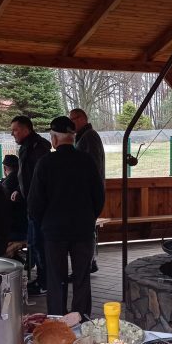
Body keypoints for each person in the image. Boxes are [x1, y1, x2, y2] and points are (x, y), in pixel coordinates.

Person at [28, 116, 104, 317]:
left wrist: (44, 223)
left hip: (54, 232)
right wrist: (89, 218)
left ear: (53, 139)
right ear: (73, 137)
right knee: (81, 278)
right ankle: (81, 319)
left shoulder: (45, 163)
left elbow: (35, 203)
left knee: (56, 279)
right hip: (83, 230)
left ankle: (58, 319)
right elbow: (99, 196)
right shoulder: (87, 161)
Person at [12, 115, 51, 295]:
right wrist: (20, 191)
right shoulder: (28, 147)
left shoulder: (38, 148)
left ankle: (45, 282)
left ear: (27, 129)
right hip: (30, 203)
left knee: (40, 244)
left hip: (39, 206)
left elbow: (40, 178)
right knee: (35, 244)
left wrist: (33, 199)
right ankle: (42, 280)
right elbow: (27, 177)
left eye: (16, 130)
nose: (13, 134)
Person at [69, 108, 105, 274]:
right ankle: (90, 262)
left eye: (73, 119)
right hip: (87, 192)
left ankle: (88, 263)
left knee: (87, 230)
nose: (71, 122)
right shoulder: (83, 137)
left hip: (89, 193)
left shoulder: (89, 137)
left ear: (83, 118)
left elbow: (93, 167)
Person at [1, 154, 28, 241]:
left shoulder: (6, 185)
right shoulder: (25, 181)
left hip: (15, 231)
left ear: (5, 168)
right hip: (27, 228)